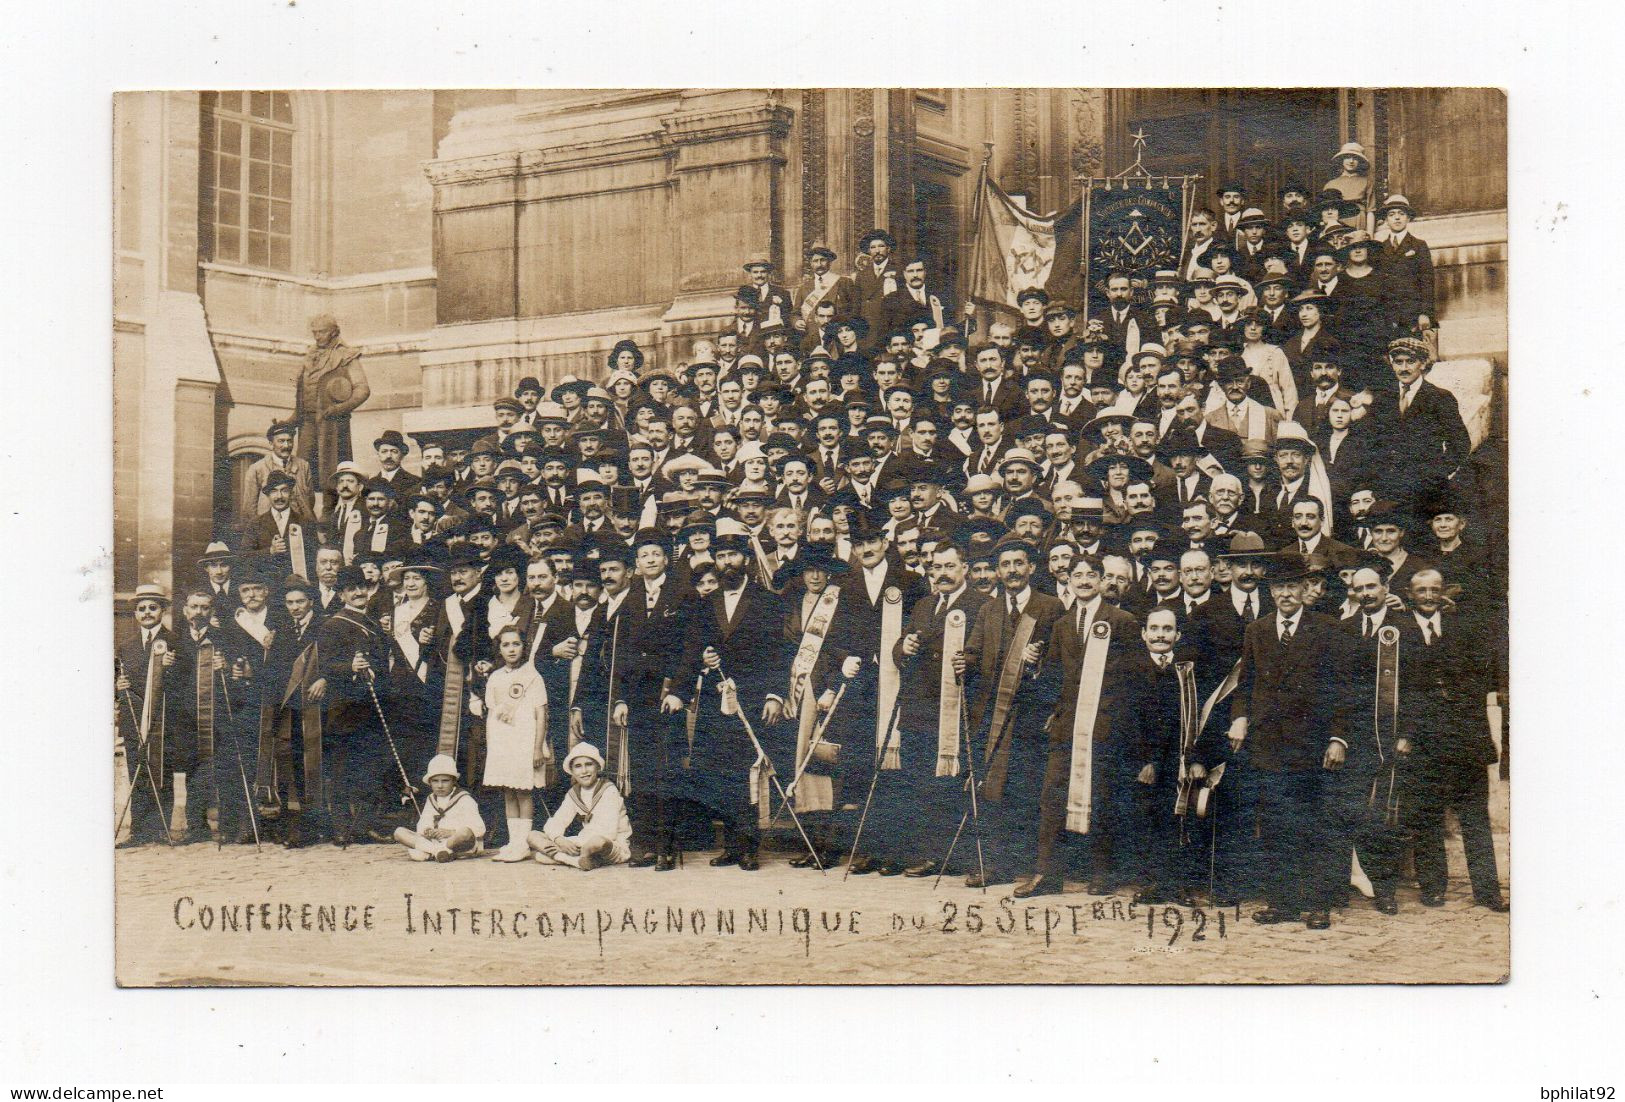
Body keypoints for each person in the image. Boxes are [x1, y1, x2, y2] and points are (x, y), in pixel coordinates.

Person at [1227, 553, 1357, 930]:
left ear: (1305, 589)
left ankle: (1316, 905)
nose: (1286, 594)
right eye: (1279, 587)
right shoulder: (1258, 630)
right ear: (1271, 591)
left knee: (1313, 824)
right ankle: (1281, 902)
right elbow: (1246, 684)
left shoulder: (1329, 629)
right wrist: (1239, 718)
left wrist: (1338, 738)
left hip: (1312, 745)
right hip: (1268, 745)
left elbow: (1344, 689)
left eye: (1292, 586)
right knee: (1275, 825)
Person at [475, 624, 551, 861]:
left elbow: (542, 715)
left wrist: (538, 747)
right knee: (508, 791)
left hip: (524, 741)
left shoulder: (533, 676)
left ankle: (523, 843)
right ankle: (514, 841)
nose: (511, 649)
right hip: (503, 742)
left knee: (523, 791)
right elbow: (493, 711)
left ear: (524, 647)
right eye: (505, 644)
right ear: (499, 648)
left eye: (516, 644)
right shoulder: (495, 677)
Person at [294, 314, 370, 494]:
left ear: (334, 332)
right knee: (302, 469)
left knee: (331, 469)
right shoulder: (310, 355)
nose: (317, 336)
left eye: (322, 332)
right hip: (307, 422)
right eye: (315, 332)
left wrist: (339, 409)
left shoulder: (346, 355)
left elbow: (362, 390)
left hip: (332, 425)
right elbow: (302, 394)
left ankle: (330, 512)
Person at [528, 742, 633, 869]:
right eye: (578, 766)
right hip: (583, 842)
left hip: (611, 845)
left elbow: (608, 833)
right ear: (572, 771)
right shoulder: (574, 793)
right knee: (532, 836)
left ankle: (567, 858)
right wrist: (560, 841)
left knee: (596, 842)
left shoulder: (608, 790)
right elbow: (557, 821)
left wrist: (578, 846)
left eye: (589, 765)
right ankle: (580, 861)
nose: (584, 771)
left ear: (598, 767)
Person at [393, 754, 485, 861]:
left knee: (465, 832)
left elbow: (479, 828)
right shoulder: (431, 799)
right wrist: (427, 830)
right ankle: (439, 852)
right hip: (435, 841)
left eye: (445, 781)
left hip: (456, 842)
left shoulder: (464, 798)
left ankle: (431, 852)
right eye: (435, 781)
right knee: (399, 832)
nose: (440, 785)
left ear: (454, 781)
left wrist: (451, 832)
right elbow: (423, 822)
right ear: (430, 782)